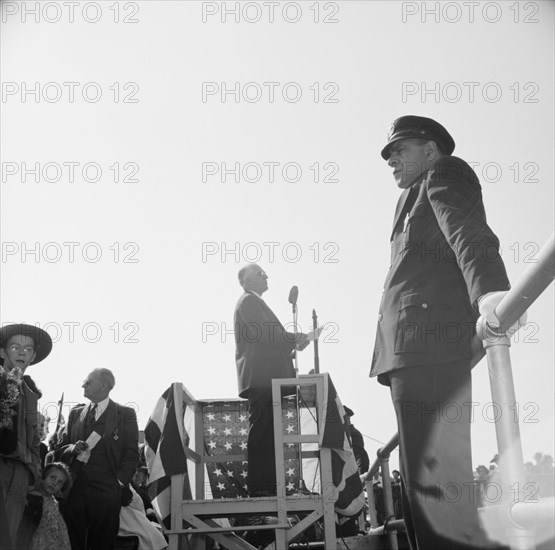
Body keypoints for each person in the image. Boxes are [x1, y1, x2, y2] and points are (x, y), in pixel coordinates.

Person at [370, 115, 525, 549]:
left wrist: (490, 292)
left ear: (431, 150)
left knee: (438, 484)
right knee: (419, 488)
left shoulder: (445, 172)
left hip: (430, 343)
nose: (392, 161)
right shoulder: (409, 198)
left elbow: (467, 231)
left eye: (400, 150)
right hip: (409, 349)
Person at [234, 263, 309, 498]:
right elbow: (264, 333)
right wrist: (293, 338)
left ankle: (269, 487)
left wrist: (290, 347)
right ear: (245, 281)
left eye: (265, 273)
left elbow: (268, 338)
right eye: (259, 273)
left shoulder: (255, 302)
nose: (266, 276)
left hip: (269, 379)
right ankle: (259, 489)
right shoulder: (248, 302)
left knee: (270, 435)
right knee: (262, 433)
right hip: (261, 379)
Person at [55, 368, 139, 550]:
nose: (83, 385)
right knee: (72, 541)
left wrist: (117, 483)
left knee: (103, 543)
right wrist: (71, 448)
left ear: (103, 386)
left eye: (88, 381)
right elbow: (59, 449)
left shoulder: (125, 415)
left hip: (107, 491)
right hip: (75, 489)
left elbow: (132, 454)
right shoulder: (75, 414)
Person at [0, 323, 52, 549]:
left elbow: (34, 443)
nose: (22, 352)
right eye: (15, 346)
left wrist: (31, 474)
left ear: (33, 356)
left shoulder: (30, 395)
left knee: (8, 540)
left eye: (28, 349)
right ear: (2, 352)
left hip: (19, 476)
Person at [17, 462, 72, 550]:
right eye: (52, 478)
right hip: (36, 540)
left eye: (60, 483)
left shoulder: (56, 503)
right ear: (43, 478)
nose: (55, 483)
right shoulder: (34, 498)